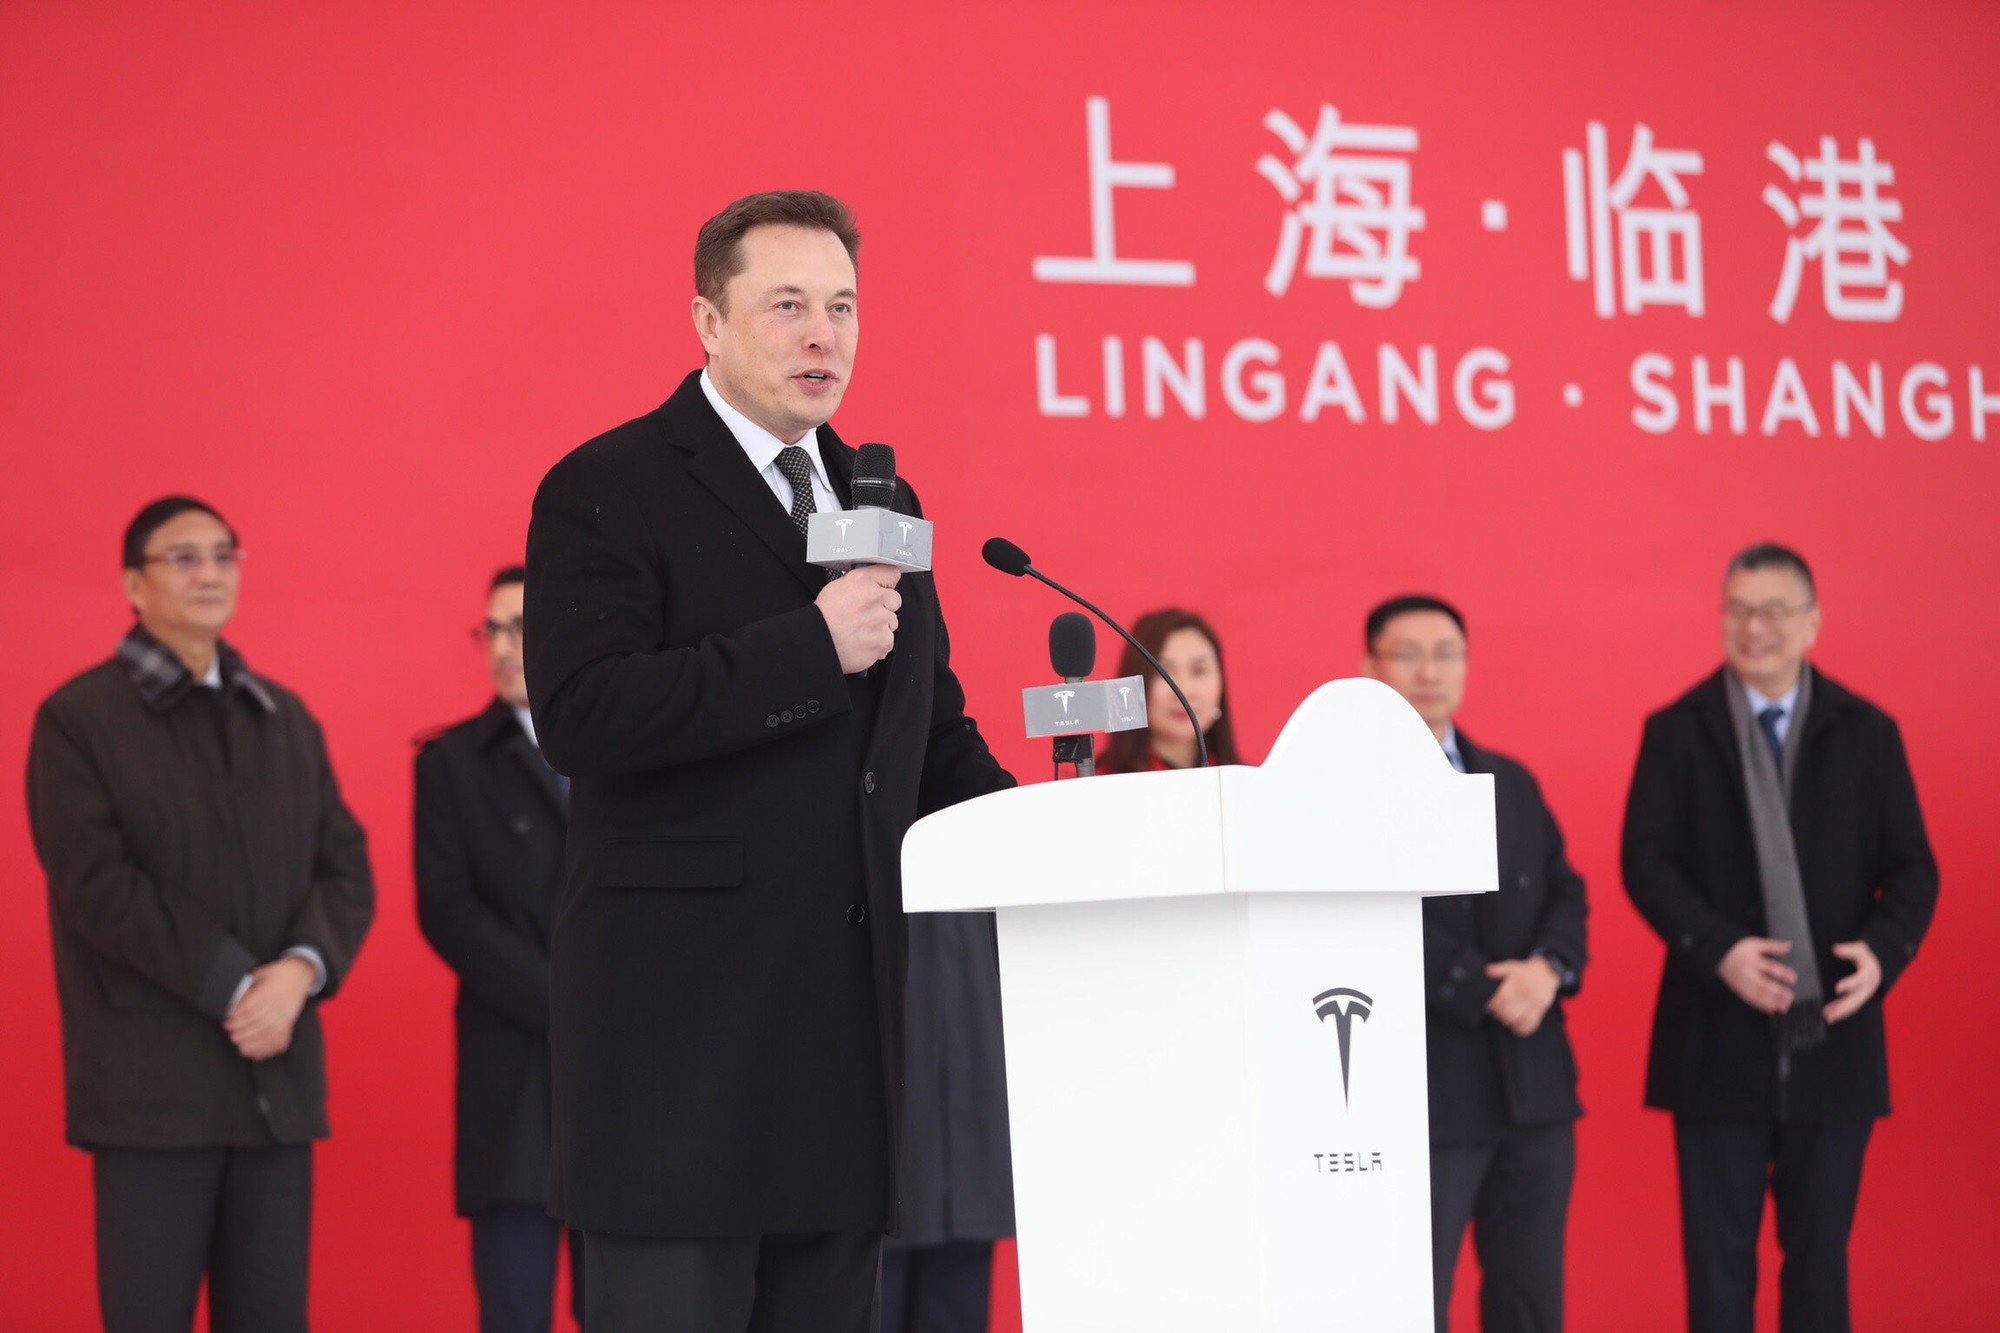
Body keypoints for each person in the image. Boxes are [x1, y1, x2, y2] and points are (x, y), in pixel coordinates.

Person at [523, 189, 1014, 1333]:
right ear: (706, 320)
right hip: (678, 1055)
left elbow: (925, 732)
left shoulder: (881, 499)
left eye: (841, 306)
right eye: (786, 304)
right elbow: (584, 714)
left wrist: (1052, 834)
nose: (821, 336)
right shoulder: (608, 485)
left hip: (841, 1044)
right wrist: (805, 649)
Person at [25, 495, 375, 1333]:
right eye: (184, 556)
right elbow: (99, 887)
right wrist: (235, 987)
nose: (211, 572)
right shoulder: (79, 721)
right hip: (151, 1095)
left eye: (225, 553)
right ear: (133, 585)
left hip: (277, 1087)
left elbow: (346, 868)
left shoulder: (282, 716)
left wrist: (297, 975)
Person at [1622, 543, 1938, 1333]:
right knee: (1718, 1263)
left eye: (1772, 610)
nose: (1752, 627)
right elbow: (1645, 863)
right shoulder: (1678, 730)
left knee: (1821, 1257)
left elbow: (1913, 870)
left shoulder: (1867, 732)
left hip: (1834, 1034)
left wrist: (1884, 952)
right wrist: (1718, 947)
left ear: (1812, 622)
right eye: (1737, 609)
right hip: (1715, 1039)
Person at [1361, 594, 1588, 1332]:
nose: (1431, 671)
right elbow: (1361, 916)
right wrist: (1474, 986)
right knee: (1414, 1298)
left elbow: (1565, 889)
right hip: (1425, 1091)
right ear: (1371, 667)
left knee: (1529, 1295)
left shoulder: (1509, 781)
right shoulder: (1352, 792)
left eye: (1447, 652)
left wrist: (1547, 969)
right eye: (1409, 653)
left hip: (1533, 1087)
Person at [415, 565, 583, 1332]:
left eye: (521, 627)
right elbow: (450, 912)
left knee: (629, 1303)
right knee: (514, 1305)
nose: (505, 648)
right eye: (493, 630)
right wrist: (568, 1005)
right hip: (513, 1075)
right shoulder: (451, 762)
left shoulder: (620, 749)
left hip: (620, 1084)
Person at [1095, 608, 1241, 773]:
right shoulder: (1099, 788)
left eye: (1199, 671)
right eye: (1162, 673)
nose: (1184, 691)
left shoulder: (1250, 786)